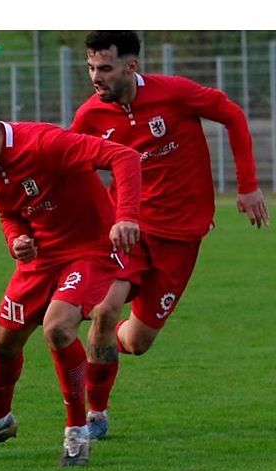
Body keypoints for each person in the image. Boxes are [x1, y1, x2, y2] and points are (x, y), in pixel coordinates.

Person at [71, 31, 270, 441]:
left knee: (138, 340)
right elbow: (74, 170)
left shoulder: (174, 94)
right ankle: (96, 415)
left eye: (105, 68)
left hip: (181, 237)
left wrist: (247, 185)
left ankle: (106, 334)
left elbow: (232, 114)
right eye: (91, 67)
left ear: (131, 66)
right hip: (128, 232)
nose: (96, 77)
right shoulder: (90, 117)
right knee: (106, 311)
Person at [0, 98, 142, 466]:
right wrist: (16, 241)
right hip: (42, 259)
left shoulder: (46, 144)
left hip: (90, 251)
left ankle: (77, 433)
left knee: (59, 328)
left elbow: (124, 156)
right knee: (2, 345)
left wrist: (125, 216)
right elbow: (8, 212)